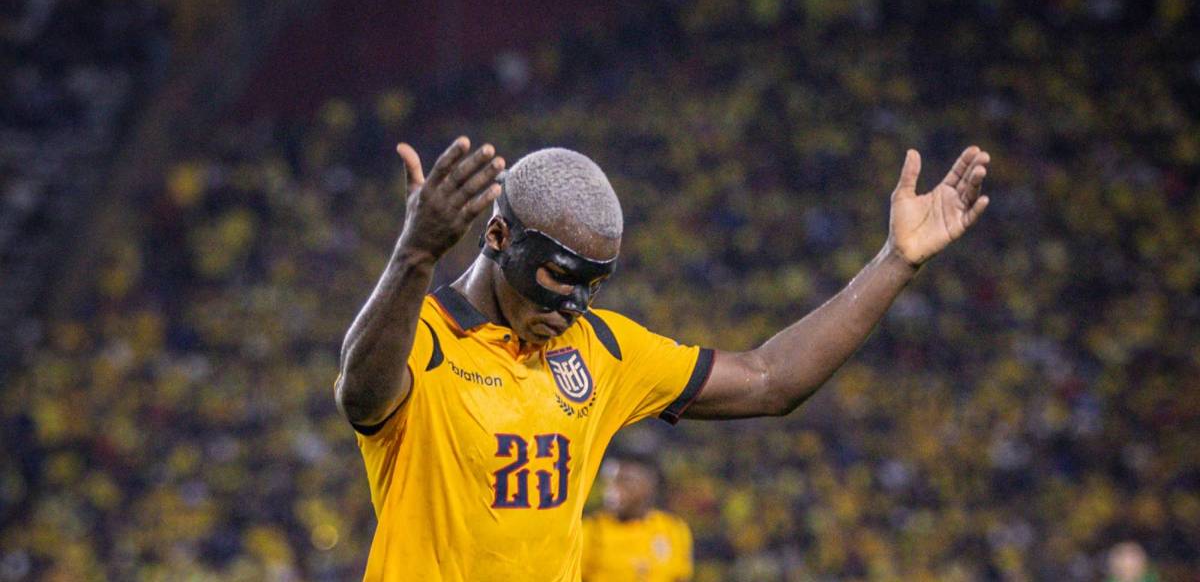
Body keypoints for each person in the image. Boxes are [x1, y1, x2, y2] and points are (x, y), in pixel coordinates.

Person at [335, 137, 991, 581]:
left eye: (594, 285)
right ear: (500, 236)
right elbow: (361, 394)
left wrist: (896, 262)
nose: (574, 305)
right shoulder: (421, 335)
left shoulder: (601, 350)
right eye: (560, 276)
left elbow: (770, 380)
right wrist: (416, 253)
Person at [582, 454, 692, 582]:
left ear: (648, 486)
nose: (612, 492)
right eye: (610, 483)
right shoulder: (590, 530)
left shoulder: (673, 528)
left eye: (624, 482)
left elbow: (681, 577)